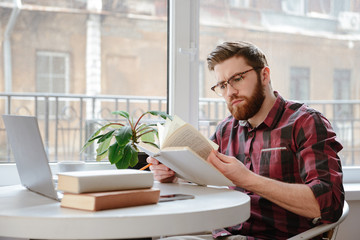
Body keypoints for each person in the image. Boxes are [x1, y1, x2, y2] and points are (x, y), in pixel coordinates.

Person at [147, 41, 344, 240]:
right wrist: (174, 175)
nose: (230, 92)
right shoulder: (226, 130)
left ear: (264, 75)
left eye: (237, 79)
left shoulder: (306, 122)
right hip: (226, 234)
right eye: (222, 85)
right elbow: (201, 173)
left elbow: (329, 205)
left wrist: (247, 179)